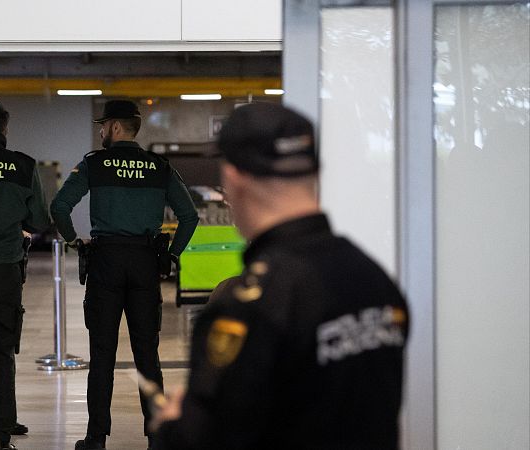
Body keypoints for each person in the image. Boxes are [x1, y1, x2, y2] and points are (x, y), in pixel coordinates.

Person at [151, 102, 410, 450]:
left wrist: (173, 427)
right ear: (314, 172)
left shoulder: (247, 307)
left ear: (233, 179)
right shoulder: (374, 279)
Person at [50, 99, 199, 450]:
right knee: (147, 353)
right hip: (145, 263)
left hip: (105, 263)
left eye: (103, 125)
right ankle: (159, 437)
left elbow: (59, 206)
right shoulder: (157, 166)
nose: (100, 131)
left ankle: (96, 438)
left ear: (116, 127)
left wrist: (75, 243)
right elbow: (189, 216)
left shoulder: (94, 164)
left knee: (102, 354)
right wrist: (171, 254)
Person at [0, 96, 50, 450]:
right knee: (2, 350)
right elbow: (39, 219)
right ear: (5, 128)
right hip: (6, 268)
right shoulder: (22, 166)